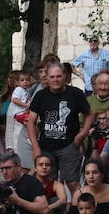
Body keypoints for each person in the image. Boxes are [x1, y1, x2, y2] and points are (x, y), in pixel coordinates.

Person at [27, 61, 95, 197]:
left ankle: (77, 212)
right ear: (47, 78)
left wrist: (82, 135)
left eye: (58, 76)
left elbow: (89, 115)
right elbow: (30, 122)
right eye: (52, 77)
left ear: (64, 76)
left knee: (72, 183)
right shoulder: (40, 96)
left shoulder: (76, 93)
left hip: (69, 145)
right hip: (46, 146)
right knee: (46, 183)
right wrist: (35, 147)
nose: (55, 80)